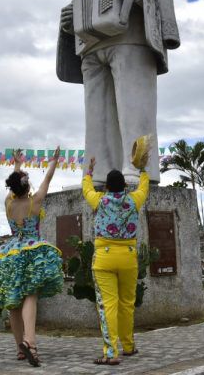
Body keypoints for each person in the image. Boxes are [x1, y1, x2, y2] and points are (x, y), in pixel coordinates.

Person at [58, 0, 180, 186]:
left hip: (130, 39)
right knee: (96, 119)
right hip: (89, 46)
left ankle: (138, 170)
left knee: (134, 110)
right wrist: (68, 24)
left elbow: (164, 7)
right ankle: (99, 173)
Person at [0, 147, 64, 367]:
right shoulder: (34, 202)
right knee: (30, 295)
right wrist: (54, 161)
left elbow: (14, 186)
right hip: (31, 250)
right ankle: (30, 342)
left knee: (13, 302)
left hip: (9, 251)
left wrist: (17, 165)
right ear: (27, 186)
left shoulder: (8, 203)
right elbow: (48, 178)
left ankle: (20, 347)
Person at [82, 148, 149, 366]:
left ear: (108, 187)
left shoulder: (100, 201)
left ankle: (111, 353)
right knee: (127, 303)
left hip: (104, 258)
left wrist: (89, 172)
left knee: (108, 305)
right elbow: (144, 187)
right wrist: (142, 168)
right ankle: (128, 346)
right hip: (128, 257)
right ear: (124, 186)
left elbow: (86, 189)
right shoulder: (134, 200)